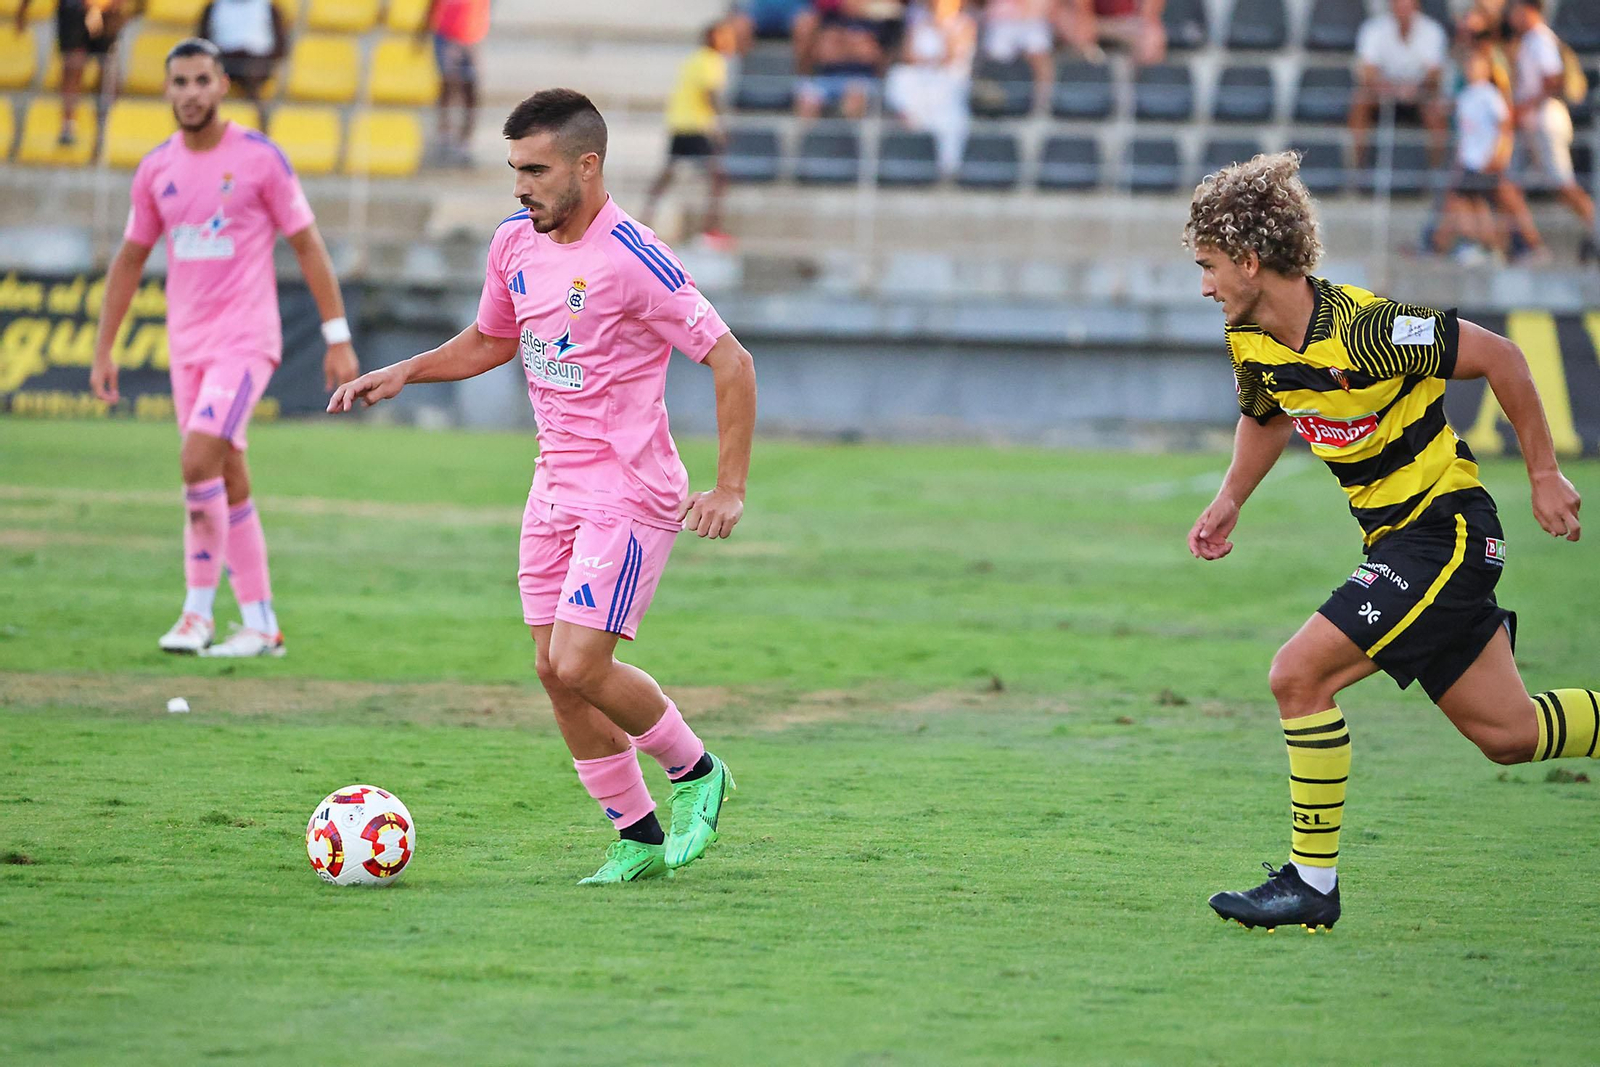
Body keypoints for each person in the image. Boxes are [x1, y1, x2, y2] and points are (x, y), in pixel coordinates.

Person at [327, 89, 758, 885]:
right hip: (552, 486)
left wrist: (728, 487)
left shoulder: (635, 256)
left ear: (586, 167)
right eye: (514, 169)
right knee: (552, 671)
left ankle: (699, 771)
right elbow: (494, 336)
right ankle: (635, 835)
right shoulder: (514, 244)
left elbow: (732, 361)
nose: (520, 186)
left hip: (629, 492)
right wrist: (406, 370)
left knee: (582, 660)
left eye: (536, 169)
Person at [1183, 151, 1591, 933]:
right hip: (1401, 548)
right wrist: (1231, 496)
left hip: (1448, 534)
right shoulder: (1252, 341)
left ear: (1249, 260)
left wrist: (1543, 472)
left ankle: (1311, 882)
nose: (1203, 285)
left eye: (1208, 266)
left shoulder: (1368, 329)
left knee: (1297, 676)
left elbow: (1501, 356)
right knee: (1511, 733)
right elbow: (1268, 413)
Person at [88, 38, 362, 659]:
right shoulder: (156, 169)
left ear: (221, 86)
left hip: (246, 341)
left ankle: (195, 613)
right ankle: (261, 623)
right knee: (225, 471)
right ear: (167, 90)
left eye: (201, 80)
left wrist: (337, 337)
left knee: (195, 461)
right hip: (187, 346)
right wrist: (104, 348)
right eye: (178, 81)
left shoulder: (261, 159)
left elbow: (309, 244)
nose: (189, 93)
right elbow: (129, 260)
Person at [1507, 0, 1596, 263]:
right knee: (1508, 184)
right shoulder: (1529, 40)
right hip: (1532, 126)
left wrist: (1522, 108)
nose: (1511, 17)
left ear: (1526, 9)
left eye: (1514, 10)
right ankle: (1531, 245)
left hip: (1545, 123)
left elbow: (1552, 79)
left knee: (1563, 186)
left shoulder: (1540, 39)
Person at [644, 20, 739, 245]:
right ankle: (711, 229)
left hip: (680, 123)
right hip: (697, 126)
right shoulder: (712, 60)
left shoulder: (694, 59)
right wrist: (721, 125)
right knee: (718, 177)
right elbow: (709, 93)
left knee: (667, 175)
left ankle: (644, 217)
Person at [1432, 49, 1514, 262]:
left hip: (1484, 161)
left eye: (1476, 65)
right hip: (1469, 161)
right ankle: (1483, 247)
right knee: (1472, 205)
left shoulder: (1489, 94)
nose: (1471, 69)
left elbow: (1505, 125)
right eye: (1469, 66)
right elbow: (1464, 134)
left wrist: (1499, 154)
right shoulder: (1466, 96)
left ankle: (1481, 246)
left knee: (1467, 204)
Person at [1349, 0, 1450, 168]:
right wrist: (1389, 88)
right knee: (1360, 102)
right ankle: (1358, 170)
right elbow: (1366, 71)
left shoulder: (1432, 31)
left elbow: (1434, 74)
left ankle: (1435, 175)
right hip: (1382, 95)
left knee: (1436, 111)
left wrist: (1415, 89)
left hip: (1419, 96)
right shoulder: (1374, 29)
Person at [885, 0, 976, 174]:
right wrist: (926, 62)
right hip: (921, 76)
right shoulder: (919, 23)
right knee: (901, 76)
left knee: (948, 115)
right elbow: (907, 55)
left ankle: (947, 167)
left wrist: (942, 29)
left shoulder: (964, 24)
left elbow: (952, 57)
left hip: (949, 78)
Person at [26, 0, 128, 146]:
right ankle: (68, 125)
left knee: (107, 68)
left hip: (107, 11)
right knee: (74, 65)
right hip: (74, 11)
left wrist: (107, 8)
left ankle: (107, 127)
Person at [198, 0, 289, 130]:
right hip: (223, 60)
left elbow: (281, 45)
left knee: (251, 72)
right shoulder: (213, 7)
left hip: (257, 61)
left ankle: (259, 124)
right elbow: (202, 42)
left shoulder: (268, 7)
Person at [423, 0, 490, 164]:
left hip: (471, 36)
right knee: (449, 85)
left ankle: (465, 142)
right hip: (447, 35)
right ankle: (445, 137)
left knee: (470, 90)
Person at [795, 0, 889, 118]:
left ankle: (849, 136)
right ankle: (805, 136)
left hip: (862, 78)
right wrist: (855, 45)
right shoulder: (830, 19)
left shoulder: (875, 22)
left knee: (855, 95)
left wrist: (842, 44)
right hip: (828, 78)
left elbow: (870, 56)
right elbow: (825, 55)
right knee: (808, 99)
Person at [979, 0, 1055, 110]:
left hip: (1034, 20)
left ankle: (1041, 108)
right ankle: (994, 106)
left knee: (1040, 57)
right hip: (1001, 21)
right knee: (994, 57)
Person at [1058, 0, 1164, 67]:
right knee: (1076, 29)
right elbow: (1082, 11)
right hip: (1091, 22)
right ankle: (1088, 77)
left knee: (1152, 38)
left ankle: (1137, 93)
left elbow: (1148, 16)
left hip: (1125, 24)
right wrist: (1091, 26)